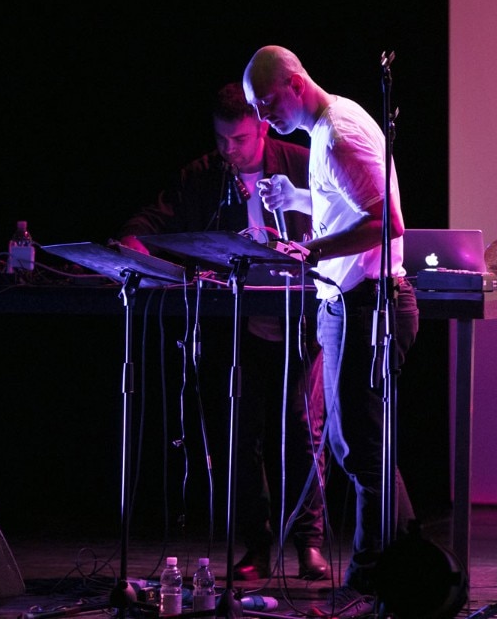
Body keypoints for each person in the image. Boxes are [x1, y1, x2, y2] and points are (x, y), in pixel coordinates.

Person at [117, 82, 330, 582]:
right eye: (220, 139)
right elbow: (156, 217)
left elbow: (343, 213)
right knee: (239, 434)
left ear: (262, 128)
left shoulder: (303, 163)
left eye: (238, 139)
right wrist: (132, 240)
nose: (228, 150)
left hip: (301, 320)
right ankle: (257, 544)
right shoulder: (203, 175)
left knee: (302, 431)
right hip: (238, 326)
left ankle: (309, 543)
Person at [242, 46, 419, 617]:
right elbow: (348, 201)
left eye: (265, 102)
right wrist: (298, 198)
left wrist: (311, 249)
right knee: (362, 448)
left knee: (361, 450)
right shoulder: (327, 128)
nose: (262, 118)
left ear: (294, 83)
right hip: (350, 304)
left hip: (369, 305)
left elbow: (386, 221)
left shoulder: (338, 133)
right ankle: (407, 568)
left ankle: (370, 580)